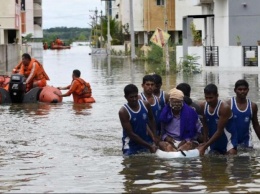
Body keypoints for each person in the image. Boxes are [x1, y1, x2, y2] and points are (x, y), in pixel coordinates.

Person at [119, 84, 158, 156]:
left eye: (135, 96)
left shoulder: (146, 104)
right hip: (131, 145)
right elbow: (130, 134)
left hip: (146, 141)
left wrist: (154, 136)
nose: (134, 99)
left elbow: (151, 120)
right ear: (126, 97)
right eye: (131, 97)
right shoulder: (123, 112)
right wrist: (149, 146)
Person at [198, 83, 237, 155]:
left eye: (211, 98)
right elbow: (205, 125)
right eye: (206, 98)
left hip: (228, 141)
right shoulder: (202, 106)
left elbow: (220, 131)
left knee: (231, 158)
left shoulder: (224, 108)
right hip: (214, 140)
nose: (208, 100)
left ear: (217, 96)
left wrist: (205, 146)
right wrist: (205, 142)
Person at [226, 79, 260, 148]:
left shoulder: (253, 106)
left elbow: (256, 125)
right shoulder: (228, 105)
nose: (242, 91)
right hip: (231, 141)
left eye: (245, 89)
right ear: (235, 90)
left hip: (247, 141)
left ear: (248, 90)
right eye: (240, 89)